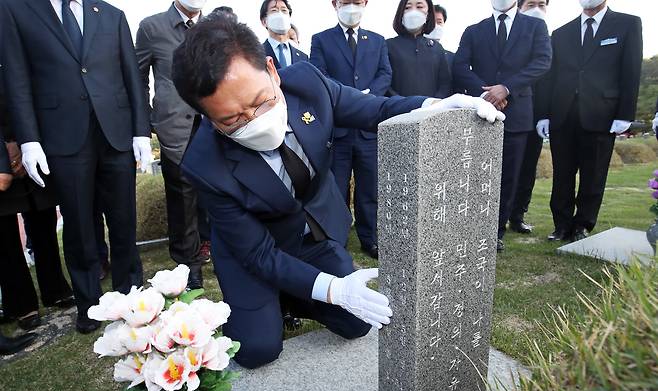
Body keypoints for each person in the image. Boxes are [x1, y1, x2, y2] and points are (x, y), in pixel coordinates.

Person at [171, 18, 503, 369]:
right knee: (258, 349)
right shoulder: (203, 164)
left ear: (271, 70)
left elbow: (376, 108)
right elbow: (259, 254)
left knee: (358, 322)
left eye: (261, 102)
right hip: (253, 252)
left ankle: (292, 295)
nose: (253, 120)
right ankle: (269, 301)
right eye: (233, 120)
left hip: (310, 233)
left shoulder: (308, 84)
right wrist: (333, 289)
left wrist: (437, 106)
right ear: (207, 116)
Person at [2, 0, 151, 334]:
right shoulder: (16, 10)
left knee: (124, 219)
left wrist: (141, 130)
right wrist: (29, 139)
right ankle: (90, 304)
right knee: (79, 223)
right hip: (62, 135)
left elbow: (132, 75)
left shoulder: (111, 15)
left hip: (115, 131)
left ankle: (132, 295)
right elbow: (16, 77)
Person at [536, 0, 643, 242]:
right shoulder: (562, 32)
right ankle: (561, 225)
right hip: (562, 114)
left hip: (602, 113)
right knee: (562, 173)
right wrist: (543, 114)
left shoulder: (627, 24)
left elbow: (631, 71)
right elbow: (550, 76)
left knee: (593, 173)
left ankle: (583, 224)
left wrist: (625, 114)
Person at [453, 0, 552, 252]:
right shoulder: (474, 30)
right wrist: (487, 94)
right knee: (475, 174)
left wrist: (506, 88)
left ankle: (495, 230)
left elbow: (542, 62)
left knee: (508, 176)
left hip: (516, 113)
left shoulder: (535, 27)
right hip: (479, 111)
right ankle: (470, 226)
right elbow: (460, 66)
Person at [136, 0, 213, 290]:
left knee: (218, 191)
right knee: (182, 197)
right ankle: (187, 264)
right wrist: (142, 128)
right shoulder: (151, 27)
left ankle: (221, 248)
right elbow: (139, 78)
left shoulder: (212, 27)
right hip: (174, 125)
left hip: (212, 122)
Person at [310, 0, 392, 259]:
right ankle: (337, 237)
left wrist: (368, 98)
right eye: (346, 2)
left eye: (357, 2)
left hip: (368, 130)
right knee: (338, 187)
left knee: (369, 188)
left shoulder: (378, 40)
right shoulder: (321, 39)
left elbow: (384, 73)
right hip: (339, 129)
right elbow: (319, 75)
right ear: (335, 4)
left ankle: (370, 238)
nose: (352, 6)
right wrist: (348, 97)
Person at [0, 68, 74, 330]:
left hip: (30, 137)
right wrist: (5, 147)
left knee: (42, 218)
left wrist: (23, 140)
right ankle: (20, 302)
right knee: (5, 234)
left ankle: (54, 287)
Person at [508, 0, 550, 234]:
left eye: (541, 4)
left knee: (527, 169)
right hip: (510, 109)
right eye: (530, 4)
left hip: (537, 116)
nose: (536, 8)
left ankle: (518, 214)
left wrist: (546, 115)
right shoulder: (510, 38)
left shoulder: (547, 40)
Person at [386, 0, 451, 98]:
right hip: (398, 110)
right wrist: (400, 103)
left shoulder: (437, 48)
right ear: (400, 14)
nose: (413, 11)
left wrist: (434, 103)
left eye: (419, 7)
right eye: (407, 8)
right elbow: (384, 81)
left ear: (428, 14)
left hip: (432, 110)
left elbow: (445, 83)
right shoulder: (388, 45)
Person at [260, 0, 309, 70]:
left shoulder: (303, 57)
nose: (280, 14)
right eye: (274, 10)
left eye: (284, 10)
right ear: (264, 22)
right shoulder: (256, 54)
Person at [427, 4, 454, 74]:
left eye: (439, 22)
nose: (435, 25)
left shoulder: (452, 58)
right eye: (431, 21)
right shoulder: (411, 54)